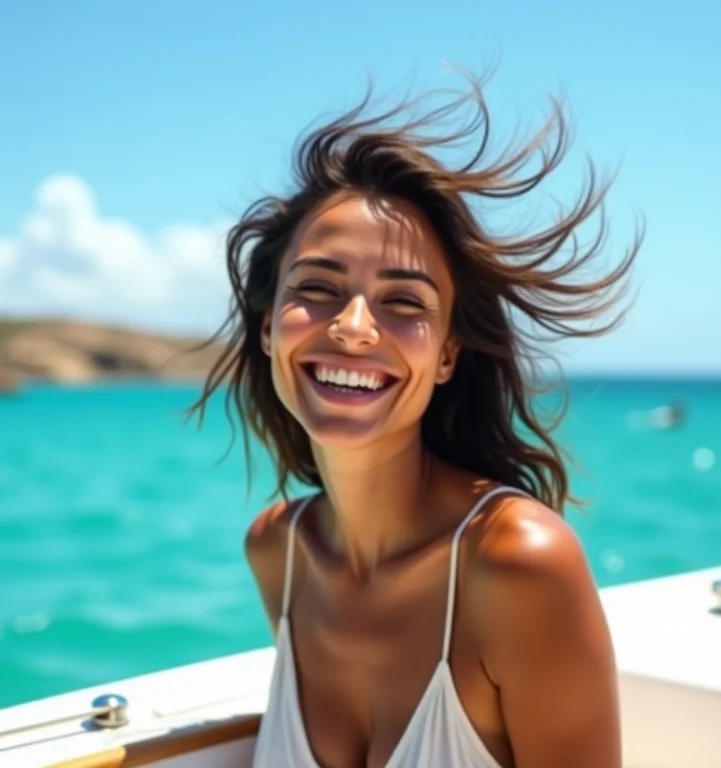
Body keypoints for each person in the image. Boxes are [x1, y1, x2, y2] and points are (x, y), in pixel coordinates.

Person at [190, 74, 641, 768]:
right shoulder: (277, 551)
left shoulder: (518, 566)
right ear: (269, 328)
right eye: (317, 287)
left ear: (447, 355)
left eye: (404, 301)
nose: (353, 327)